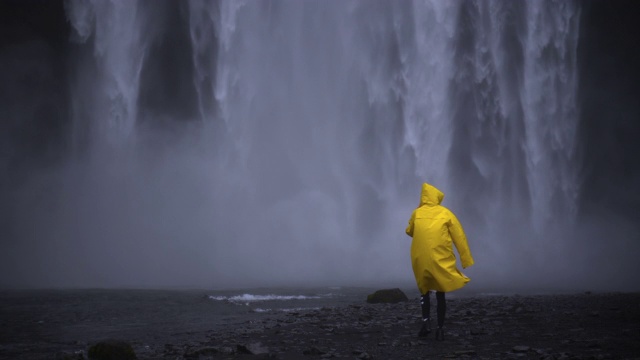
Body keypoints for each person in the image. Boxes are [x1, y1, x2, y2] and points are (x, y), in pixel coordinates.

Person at [405, 183, 474, 340]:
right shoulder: (446, 213)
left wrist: (418, 209)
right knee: (440, 291)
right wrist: (466, 259)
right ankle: (440, 329)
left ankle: (426, 323)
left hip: (419, 257)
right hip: (440, 257)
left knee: (424, 290)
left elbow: (409, 231)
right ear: (436, 197)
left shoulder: (417, 212)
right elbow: (459, 237)